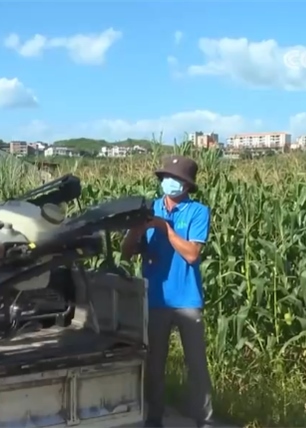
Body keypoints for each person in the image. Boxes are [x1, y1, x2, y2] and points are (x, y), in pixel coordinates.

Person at [121, 155, 215, 428]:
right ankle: (154, 418)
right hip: (155, 298)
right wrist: (135, 231)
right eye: (166, 177)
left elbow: (192, 254)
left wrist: (165, 228)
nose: (169, 182)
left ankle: (204, 421)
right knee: (154, 365)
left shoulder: (197, 212)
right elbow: (126, 253)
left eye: (175, 179)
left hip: (187, 300)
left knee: (196, 365)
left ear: (186, 185)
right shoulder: (149, 208)